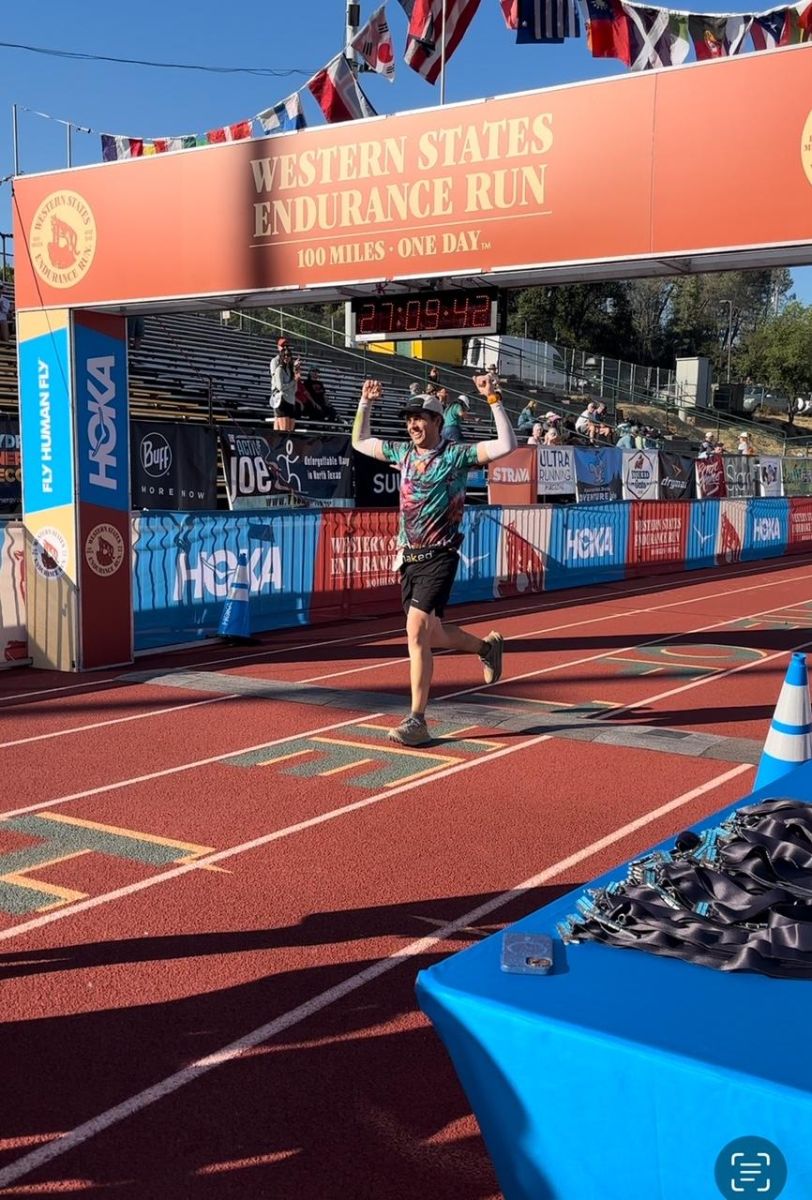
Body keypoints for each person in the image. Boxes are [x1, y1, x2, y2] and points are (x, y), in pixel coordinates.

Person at [352, 374, 517, 746]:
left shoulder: (455, 455)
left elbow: (507, 444)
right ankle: (486, 648)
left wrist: (493, 399)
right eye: (409, 418)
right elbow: (360, 441)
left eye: (421, 418)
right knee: (434, 633)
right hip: (408, 557)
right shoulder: (402, 454)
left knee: (415, 632)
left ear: (438, 422)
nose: (413, 424)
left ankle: (417, 719)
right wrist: (365, 403)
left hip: (441, 554)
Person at [269, 337, 300, 432]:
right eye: (283, 346)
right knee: (279, 421)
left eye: (287, 346)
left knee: (288, 426)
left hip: (289, 395)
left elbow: (294, 384)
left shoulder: (289, 366)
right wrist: (292, 382)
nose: (285, 348)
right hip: (279, 394)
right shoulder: (275, 361)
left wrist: (296, 370)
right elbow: (277, 381)